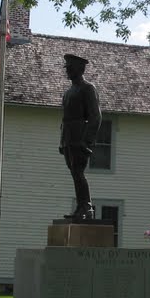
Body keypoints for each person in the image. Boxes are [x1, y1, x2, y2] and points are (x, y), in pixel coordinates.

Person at [59, 53, 102, 222]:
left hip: (80, 137)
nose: (67, 71)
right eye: (67, 68)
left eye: (70, 68)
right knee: (74, 173)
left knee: (78, 173)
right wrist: (62, 141)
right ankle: (81, 205)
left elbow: (95, 116)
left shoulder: (88, 88)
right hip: (69, 137)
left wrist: (87, 140)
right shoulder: (69, 92)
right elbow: (64, 119)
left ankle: (87, 206)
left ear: (78, 69)